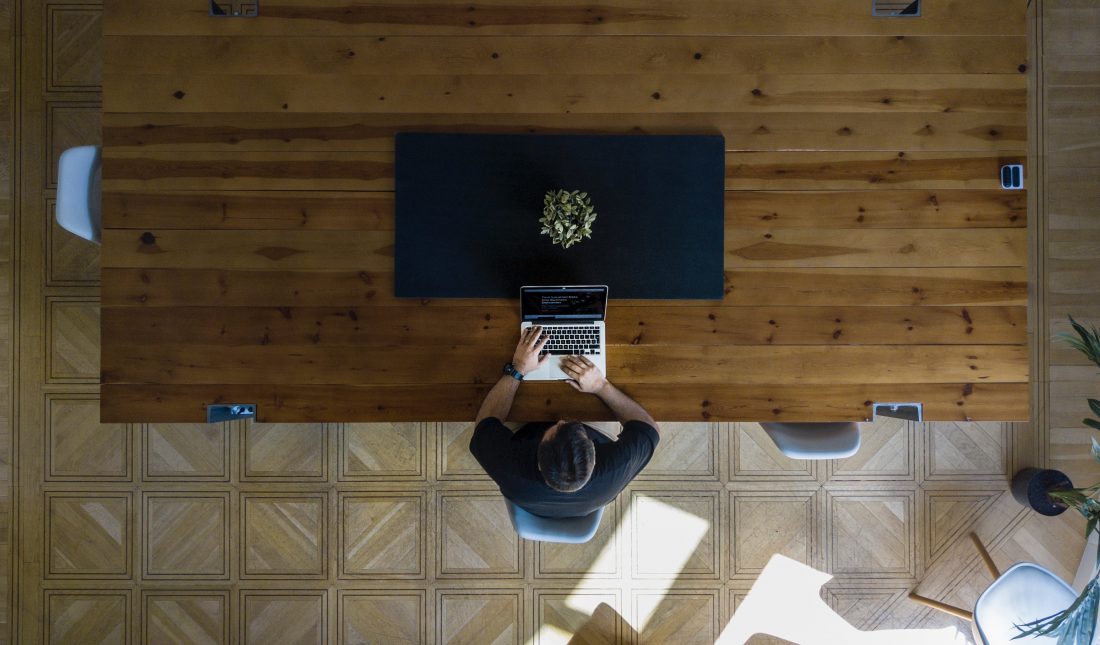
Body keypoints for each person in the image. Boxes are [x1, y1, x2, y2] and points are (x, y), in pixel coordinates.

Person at [469, 325, 661, 518]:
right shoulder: (615, 469)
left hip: (528, 462)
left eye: (556, 428)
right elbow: (650, 429)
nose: (560, 420)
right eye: (568, 426)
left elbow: (485, 423)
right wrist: (600, 386)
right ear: (594, 458)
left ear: (538, 463)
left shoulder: (508, 468)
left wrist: (518, 369)